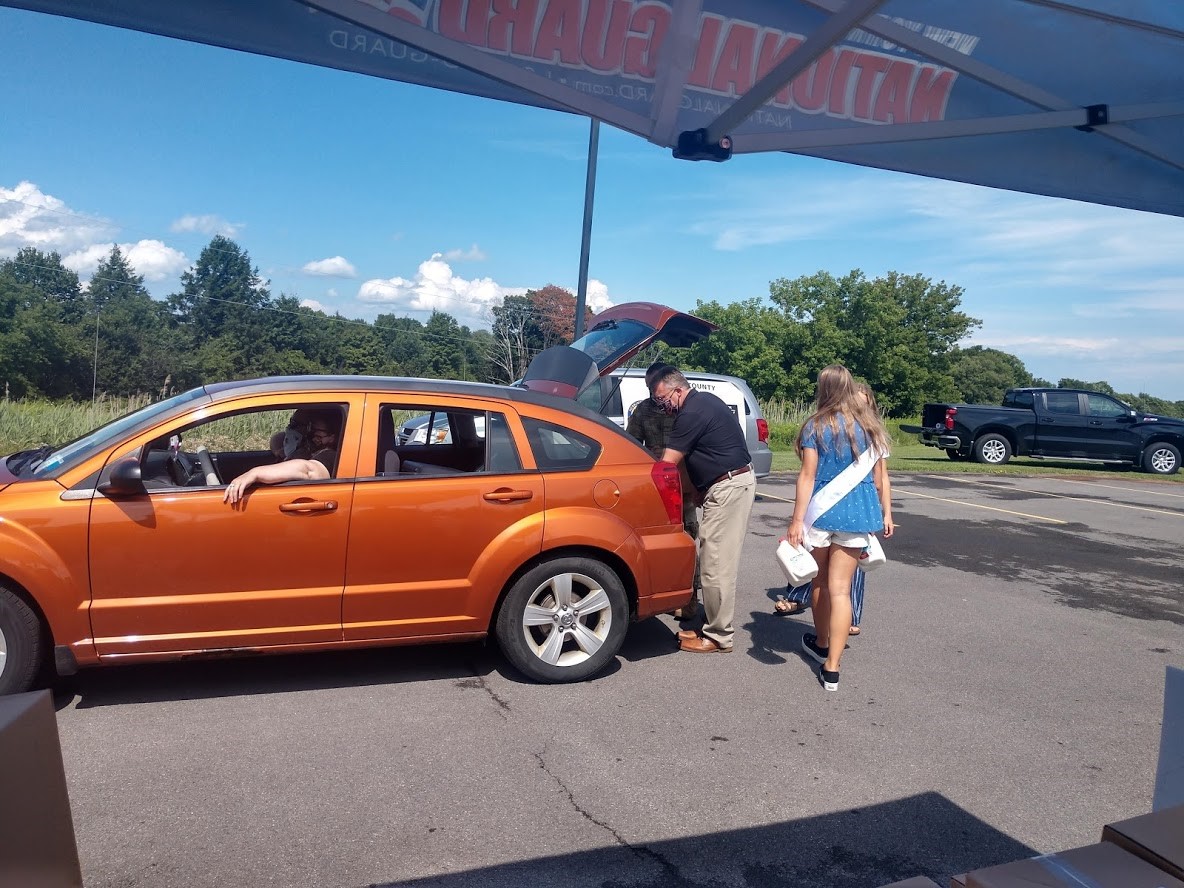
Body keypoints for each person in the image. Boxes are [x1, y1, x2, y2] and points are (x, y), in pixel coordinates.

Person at [787, 365, 891, 690]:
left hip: (821, 514)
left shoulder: (815, 426)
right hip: (857, 514)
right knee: (841, 590)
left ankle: (820, 641)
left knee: (818, 581)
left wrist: (795, 520)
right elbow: (879, 478)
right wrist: (885, 513)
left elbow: (807, 476)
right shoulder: (870, 427)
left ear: (823, 389)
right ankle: (832, 668)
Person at [774, 381, 894, 635]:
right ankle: (830, 655)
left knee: (836, 581)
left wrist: (885, 513)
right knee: (832, 582)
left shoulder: (828, 428)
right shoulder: (863, 432)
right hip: (852, 512)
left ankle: (828, 637)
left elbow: (881, 479)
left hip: (841, 510)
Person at [653, 367, 757, 654]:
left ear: (678, 390)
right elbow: (698, 456)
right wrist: (698, 489)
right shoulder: (704, 403)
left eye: (662, 399)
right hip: (724, 484)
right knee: (712, 559)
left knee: (716, 566)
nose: (662, 406)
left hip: (729, 487)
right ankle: (711, 625)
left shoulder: (692, 412)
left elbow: (669, 463)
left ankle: (719, 637)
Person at [625, 361, 701, 620]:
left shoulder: (685, 409)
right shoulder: (643, 411)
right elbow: (632, 446)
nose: (650, 390)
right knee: (657, 544)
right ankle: (660, 595)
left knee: (688, 542)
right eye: (648, 386)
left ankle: (690, 600)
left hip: (685, 485)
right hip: (655, 486)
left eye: (654, 384)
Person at [225, 408, 340, 504]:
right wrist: (286, 450)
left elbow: (308, 470)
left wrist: (254, 473)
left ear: (333, 436)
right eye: (293, 424)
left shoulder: (331, 456)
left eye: (315, 429)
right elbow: (278, 438)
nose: (310, 433)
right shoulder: (306, 449)